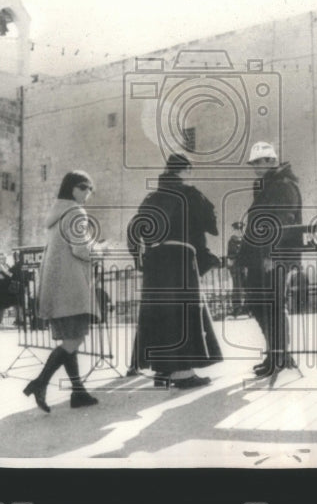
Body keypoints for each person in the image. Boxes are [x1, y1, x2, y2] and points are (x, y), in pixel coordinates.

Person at [127, 154, 222, 389]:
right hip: (179, 259)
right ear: (186, 170)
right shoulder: (190, 194)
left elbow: (134, 229)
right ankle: (182, 373)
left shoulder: (151, 198)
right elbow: (211, 225)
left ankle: (163, 371)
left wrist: (139, 259)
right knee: (182, 313)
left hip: (154, 263)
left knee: (161, 314)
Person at [23, 171, 99, 412]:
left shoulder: (56, 214)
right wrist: (100, 250)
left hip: (56, 286)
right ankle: (40, 383)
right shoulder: (76, 212)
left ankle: (78, 393)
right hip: (71, 285)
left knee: (70, 340)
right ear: (75, 188)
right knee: (74, 339)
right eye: (87, 189)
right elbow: (81, 250)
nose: (88, 195)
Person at [238, 141, 302, 378]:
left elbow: (281, 222)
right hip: (260, 255)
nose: (256, 166)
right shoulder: (267, 185)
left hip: (273, 256)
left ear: (272, 161)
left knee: (273, 305)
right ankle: (276, 354)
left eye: (260, 162)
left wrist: (270, 254)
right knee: (258, 303)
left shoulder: (283, 186)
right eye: (254, 163)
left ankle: (279, 356)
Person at [0, 253, 15, 327]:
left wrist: (5, 275)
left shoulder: (8, 266)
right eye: (1, 258)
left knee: (3, 307)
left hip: (5, 289)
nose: (2, 260)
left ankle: (0, 321)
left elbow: (11, 277)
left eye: (3, 258)